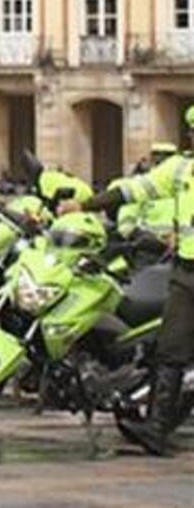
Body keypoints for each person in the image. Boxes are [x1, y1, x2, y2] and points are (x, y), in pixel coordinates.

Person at [59, 107, 194, 455]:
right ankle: (157, 428)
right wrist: (85, 205)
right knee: (171, 350)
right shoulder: (181, 169)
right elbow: (135, 190)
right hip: (186, 271)